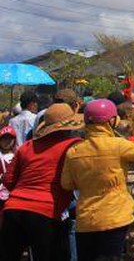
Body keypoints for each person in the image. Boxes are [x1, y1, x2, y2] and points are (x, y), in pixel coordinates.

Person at [60, 98, 134, 261]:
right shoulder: (118, 145)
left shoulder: (74, 151)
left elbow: (66, 183)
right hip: (114, 217)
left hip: (86, 219)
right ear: (111, 121)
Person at [0, 103, 83, 261]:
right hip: (46, 212)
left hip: (13, 210)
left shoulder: (26, 146)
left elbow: (8, 180)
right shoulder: (73, 146)